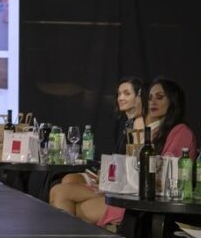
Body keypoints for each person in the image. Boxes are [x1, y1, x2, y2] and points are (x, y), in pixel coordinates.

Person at [67, 78, 197, 227]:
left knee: (72, 207)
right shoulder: (154, 131)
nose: (152, 102)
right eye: (150, 98)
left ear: (173, 101)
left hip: (145, 203)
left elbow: (165, 174)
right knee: (60, 192)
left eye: (159, 97)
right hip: (130, 193)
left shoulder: (181, 132)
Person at [49, 77, 145, 214]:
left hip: (122, 185)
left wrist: (107, 179)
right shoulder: (128, 123)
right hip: (113, 177)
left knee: (58, 192)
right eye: (119, 94)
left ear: (139, 97)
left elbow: (134, 163)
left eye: (127, 94)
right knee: (68, 178)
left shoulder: (139, 123)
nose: (121, 98)